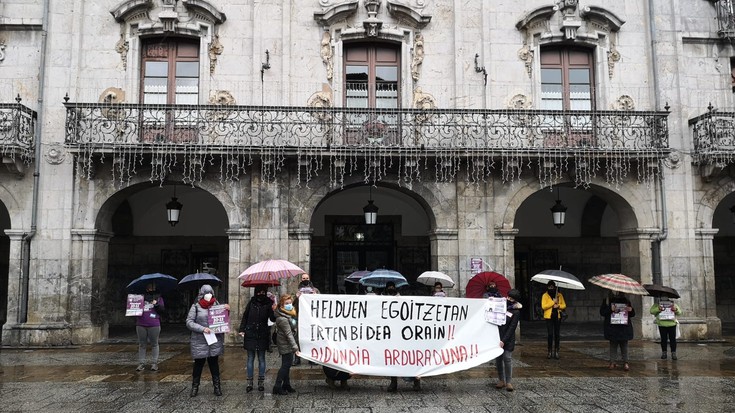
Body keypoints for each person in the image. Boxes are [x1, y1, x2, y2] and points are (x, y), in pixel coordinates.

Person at [186, 284, 230, 397]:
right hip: (200, 340)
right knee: (199, 364)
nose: (208, 295)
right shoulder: (195, 306)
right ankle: (195, 387)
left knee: (214, 364)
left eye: (210, 293)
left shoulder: (217, 305)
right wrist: (202, 329)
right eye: (206, 293)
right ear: (201, 295)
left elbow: (223, 320)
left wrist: (227, 311)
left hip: (213, 340)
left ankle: (217, 387)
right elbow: (189, 322)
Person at [383, 282, 421, 392]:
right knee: (393, 359)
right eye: (389, 288)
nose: (390, 289)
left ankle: (416, 381)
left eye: (392, 288)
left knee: (411, 357)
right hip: (392, 334)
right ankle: (393, 382)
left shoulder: (402, 299)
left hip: (405, 334)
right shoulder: (383, 300)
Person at [238, 285, 276, 392]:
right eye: (258, 292)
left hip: (262, 333)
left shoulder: (269, 303)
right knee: (250, 358)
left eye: (263, 292)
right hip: (251, 333)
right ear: (255, 292)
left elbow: (272, 319)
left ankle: (261, 381)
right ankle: (249, 382)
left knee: (261, 358)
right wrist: (242, 329)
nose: (260, 294)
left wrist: (274, 310)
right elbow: (245, 316)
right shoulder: (251, 303)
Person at [494, 289, 523, 392]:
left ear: (514, 300)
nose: (508, 299)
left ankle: (508, 381)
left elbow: (512, 327)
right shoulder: (501, 307)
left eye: (511, 298)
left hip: (508, 339)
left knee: (507, 358)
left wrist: (504, 340)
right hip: (498, 336)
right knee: (498, 359)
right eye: (508, 297)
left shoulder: (515, 311)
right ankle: (501, 380)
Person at [600, 291, 635, 371]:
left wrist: (630, 310)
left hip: (623, 326)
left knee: (624, 346)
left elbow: (632, 314)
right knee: (613, 345)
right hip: (612, 326)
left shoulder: (626, 300)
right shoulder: (607, 300)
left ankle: (626, 362)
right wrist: (610, 309)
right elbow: (602, 312)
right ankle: (612, 362)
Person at [273, 294, 300, 395]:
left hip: (287, 344)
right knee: (285, 366)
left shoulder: (289, 314)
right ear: (282, 305)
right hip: (285, 344)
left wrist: (298, 297)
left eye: (290, 303)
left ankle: (286, 384)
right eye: (286, 303)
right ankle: (277, 386)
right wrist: (295, 348)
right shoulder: (283, 319)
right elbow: (289, 334)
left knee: (287, 365)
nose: (289, 305)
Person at [135, 282, 164, 372]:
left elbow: (162, 310)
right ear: (146, 288)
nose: (151, 289)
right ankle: (141, 363)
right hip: (141, 324)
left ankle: (154, 363)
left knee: (154, 344)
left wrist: (156, 304)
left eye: (153, 287)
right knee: (142, 344)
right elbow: (133, 309)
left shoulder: (159, 298)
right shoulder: (139, 298)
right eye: (150, 287)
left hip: (154, 324)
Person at [293, 273, 318, 366]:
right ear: (301, 279)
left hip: (311, 317)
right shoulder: (296, 290)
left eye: (307, 278)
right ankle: (297, 358)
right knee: (298, 338)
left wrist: (316, 296)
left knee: (311, 337)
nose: (305, 279)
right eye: (304, 278)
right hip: (299, 317)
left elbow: (321, 302)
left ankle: (311, 358)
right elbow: (291, 304)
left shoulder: (315, 290)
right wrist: (296, 297)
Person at [541, 280, 567, 359]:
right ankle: (549, 351)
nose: (551, 288)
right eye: (549, 287)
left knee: (557, 334)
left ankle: (556, 351)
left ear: (555, 287)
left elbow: (564, 305)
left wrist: (558, 305)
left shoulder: (559, 295)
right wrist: (553, 302)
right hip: (549, 317)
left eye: (552, 287)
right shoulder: (545, 295)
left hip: (557, 316)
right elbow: (543, 306)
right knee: (550, 334)